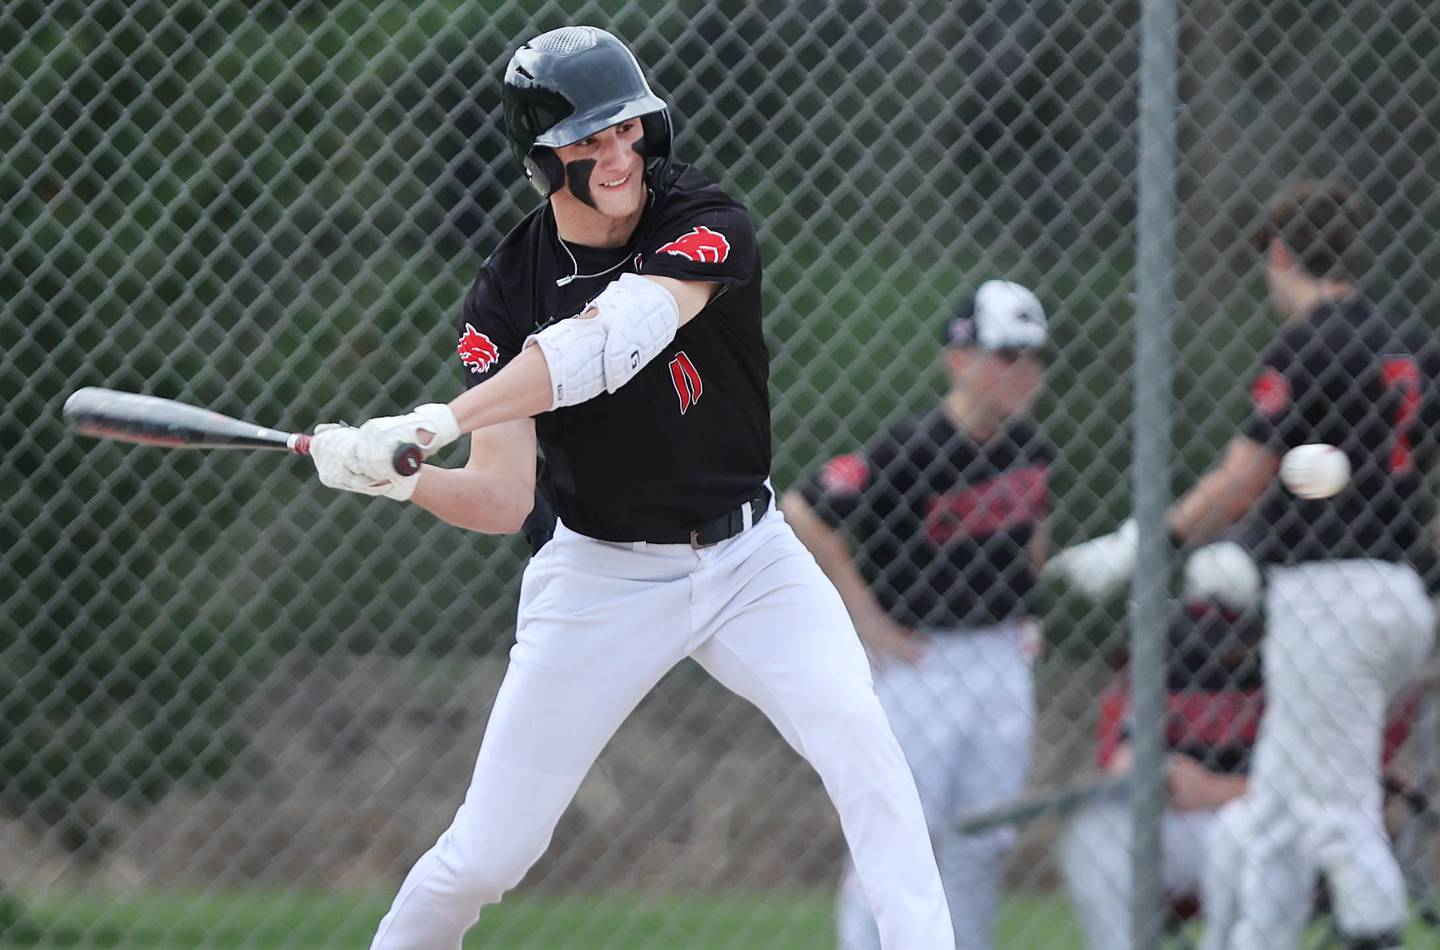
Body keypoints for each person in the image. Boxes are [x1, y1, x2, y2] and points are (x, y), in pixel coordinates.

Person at [306, 26, 954, 950]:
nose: (618, 156)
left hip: (752, 558)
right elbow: (498, 498)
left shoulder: (706, 216)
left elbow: (611, 342)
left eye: (628, 131)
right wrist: (400, 479)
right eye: (588, 140)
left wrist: (438, 420)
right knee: (489, 854)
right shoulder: (507, 289)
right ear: (542, 161)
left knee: (863, 744)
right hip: (599, 576)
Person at [1049, 180, 1440, 948]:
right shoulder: (1412, 344)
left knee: (1333, 812)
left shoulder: (1305, 343)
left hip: (1328, 599)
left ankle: (1375, 931)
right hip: (1397, 593)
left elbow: (1241, 478)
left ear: (1283, 255)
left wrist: (1143, 545)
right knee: (1270, 818)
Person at [781, 280, 1051, 949]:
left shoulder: (1033, 446)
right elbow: (804, 509)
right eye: (1005, 356)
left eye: (1031, 357)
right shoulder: (911, 449)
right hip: (921, 661)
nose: (1022, 372)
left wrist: (1027, 606)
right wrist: (868, 620)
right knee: (895, 839)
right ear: (960, 360)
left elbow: (1035, 529)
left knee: (982, 841)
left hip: (1000, 658)